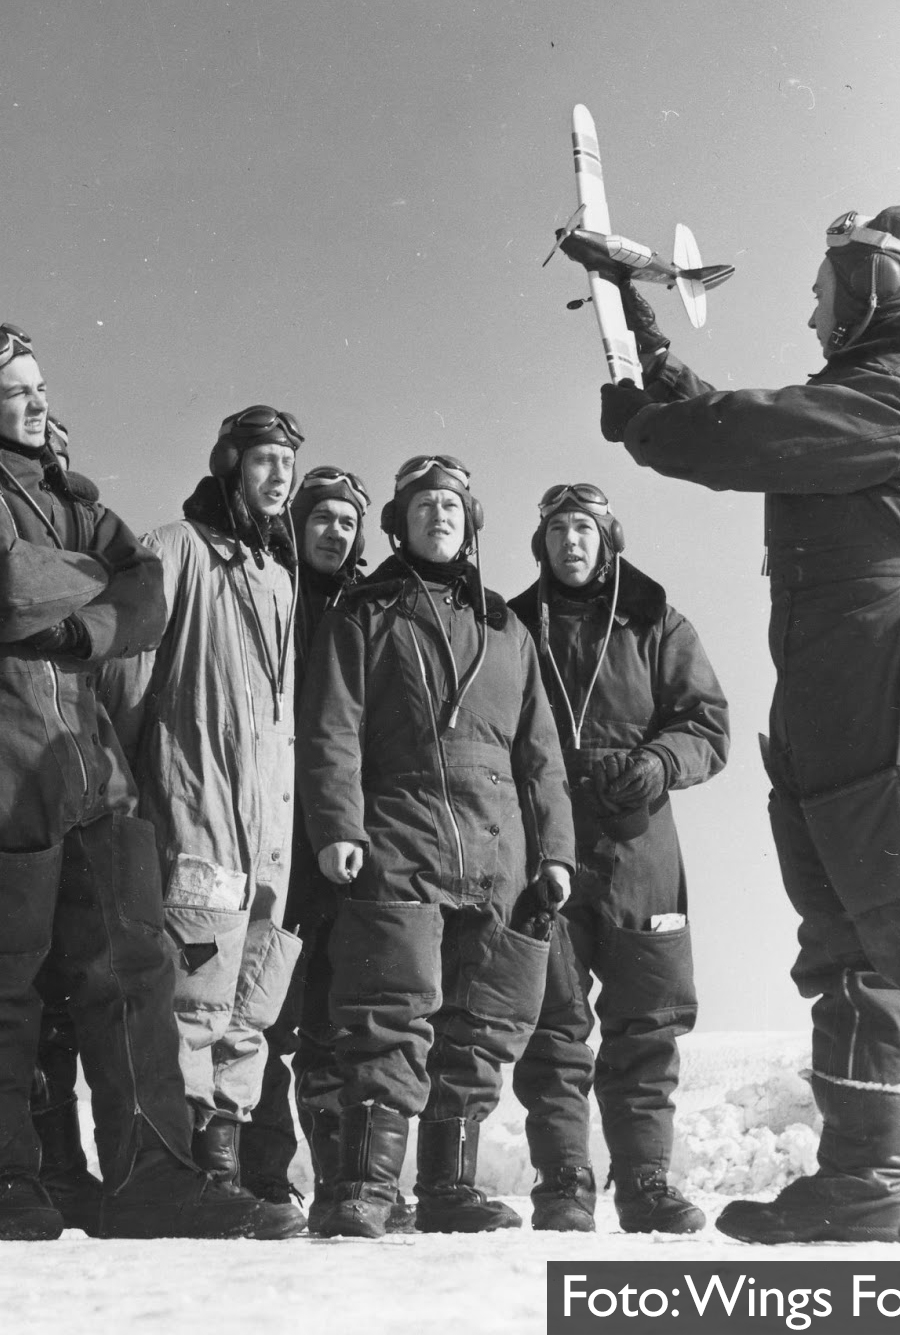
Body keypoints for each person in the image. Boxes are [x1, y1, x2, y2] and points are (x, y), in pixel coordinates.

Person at [600, 205, 900, 1245]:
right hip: (831, 679)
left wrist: (655, 424)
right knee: (844, 939)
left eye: (824, 288)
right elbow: (750, 420)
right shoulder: (866, 390)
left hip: (890, 672)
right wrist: (653, 349)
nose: (811, 308)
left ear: (875, 282)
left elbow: (758, 432)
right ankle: (861, 1177)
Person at [0, 323, 260, 1241]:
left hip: (90, 762)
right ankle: (0, 1179)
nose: (38, 399)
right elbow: (3, 579)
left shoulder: (73, 500)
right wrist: (92, 591)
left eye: (40, 383)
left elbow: (146, 595)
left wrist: (81, 622)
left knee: (133, 974)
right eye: (16, 386)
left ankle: (153, 1179)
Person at [297, 455, 576, 1238]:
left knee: (481, 1024)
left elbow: (541, 752)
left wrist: (554, 851)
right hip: (396, 835)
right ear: (398, 523)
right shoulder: (363, 612)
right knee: (387, 1012)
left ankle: (449, 1186)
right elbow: (332, 727)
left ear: (472, 521)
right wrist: (338, 828)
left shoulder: (505, 627)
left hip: (496, 850)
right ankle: (366, 1185)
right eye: (421, 506)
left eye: (450, 505)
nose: (438, 516)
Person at [99, 406, 307, 1238]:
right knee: (192, 1001)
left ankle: (222, 1173)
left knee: (249, 1010)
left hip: (269, 835)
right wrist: (131, 787)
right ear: (228, 465)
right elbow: (126, 679)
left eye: (289, 463)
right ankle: (183, 1175)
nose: (279, 476)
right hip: (198, 814)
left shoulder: (278, 576)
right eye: (264, 460)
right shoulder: (176, 548)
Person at [505, 483, 728, 1234]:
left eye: (585, 529)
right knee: (551, 1021)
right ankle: (564, 1180)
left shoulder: (655, 622)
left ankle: (645, 1182)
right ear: (541, 543)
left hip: (638, 843)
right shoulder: (508, 624)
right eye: (559, 529)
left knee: (646, 1021)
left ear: (609, 539)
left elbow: (706, 721)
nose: (572, 542)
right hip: (547, 838)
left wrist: (661, 762)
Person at [236, 465, 395, 1231]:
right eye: (321, 517)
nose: (334, 531)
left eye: (346, 520)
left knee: (337, 1016)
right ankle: (261, 1172)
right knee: (268, 1013)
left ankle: (341, 1180)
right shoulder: (271, 593)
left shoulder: (368, 607)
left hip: (349, 839)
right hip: (274, 835)